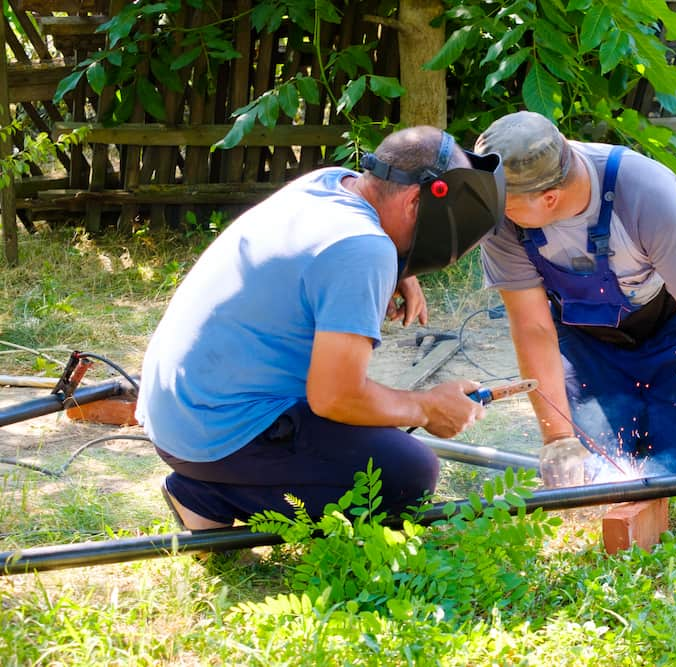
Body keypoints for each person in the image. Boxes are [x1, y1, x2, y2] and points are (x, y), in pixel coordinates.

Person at [137, 126, 505, 530]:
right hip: (214, 436)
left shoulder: (329, 183)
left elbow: (331, 251)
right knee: (406, 473)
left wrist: (399, 269)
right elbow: (335, 397)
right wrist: (428, 406)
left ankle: (214, 486)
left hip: (176, 412)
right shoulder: (363, 248)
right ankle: (206, 496)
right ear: (416, 201)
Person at [474, 111, 676, 489]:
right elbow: (532, 325)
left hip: (670, 333)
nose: (494, 214)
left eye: (505, 206)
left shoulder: (646, 194)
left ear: (548, 197)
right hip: (585, 345)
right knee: (597, 466)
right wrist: (558, 439)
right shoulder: (502, 219)